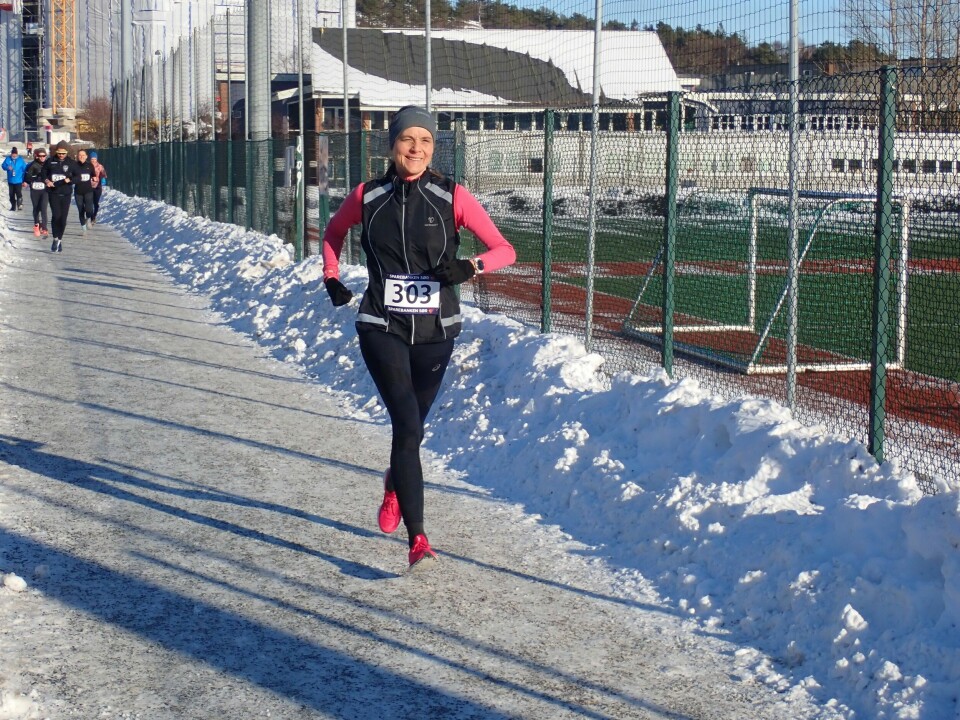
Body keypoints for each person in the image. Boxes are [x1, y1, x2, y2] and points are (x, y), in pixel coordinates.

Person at [321, 106, 516, 571]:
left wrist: (471, 267)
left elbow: (504, 249)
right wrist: (331, 275)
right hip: (381, 325)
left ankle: (395, 484)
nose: (416, 148)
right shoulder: (368, 196)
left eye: (425, 141)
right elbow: (332, 233)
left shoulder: (451, 196)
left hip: (436, 331)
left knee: (414, 430)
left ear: (433, 147)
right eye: (407, 139)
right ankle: (419, 539)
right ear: (392, 145)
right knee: (406, 426)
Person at [43, 141, 78, 253]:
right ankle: (55, 238)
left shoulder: (71, 163)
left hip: (66, 193)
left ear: (67, 152)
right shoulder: (50, 161)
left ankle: (59, 240)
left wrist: (70, 180)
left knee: (63, 219)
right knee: (56, 216)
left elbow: (78, 177)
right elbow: (43, 173)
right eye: (59, 153)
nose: (61, 155)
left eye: (63, 153)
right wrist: (47, 180)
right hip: (54, 193)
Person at [24, 147, 49, 236]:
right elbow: (27, 177)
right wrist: (36, 178)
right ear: (37, 156)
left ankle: (45, 227)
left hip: (44, 190)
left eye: (44, 156)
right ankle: (37, 224)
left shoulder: (48, 164)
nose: (42, 157)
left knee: (43, 208)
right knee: (36, 208)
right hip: (35, 190)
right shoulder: (32, 165)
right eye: (40, 156)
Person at [73, 149, 96, 233]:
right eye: (80, 155)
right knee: (81, 210)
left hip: (88, 190)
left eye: (83, 155)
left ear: (86, 156)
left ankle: (88, 218)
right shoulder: (74, 165)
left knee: (89, 209)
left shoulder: (90, 165)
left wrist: (94, 177)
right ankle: (83, 227)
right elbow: (70, 176)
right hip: (78, 192)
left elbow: (93, 174)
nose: (81, 157)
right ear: (77, 156)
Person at [2, 146, 27, 211]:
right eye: (13, 153)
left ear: (17, 154)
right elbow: (3, 165)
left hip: (19, 180)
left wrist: (25, 179)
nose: (14, 155)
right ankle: (13, 206)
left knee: (18, 193)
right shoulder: (8, 159)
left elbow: (25, 169)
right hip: (10, 180)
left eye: (15, 153)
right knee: (11, 194)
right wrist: (7, 167)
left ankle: (20, 204)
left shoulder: (21, 160)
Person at [89, 151, 107, 224]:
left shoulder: (100, 166)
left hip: (97, 187)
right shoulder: (87, 166)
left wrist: (102, 179)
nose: (93, 160)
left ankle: (94, 216)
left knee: (96, 203)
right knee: (89, 203)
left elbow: (104, 174)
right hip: (88, 186)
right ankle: (91, 217)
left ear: (96, 159)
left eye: (94, 159)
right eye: (92, 159)